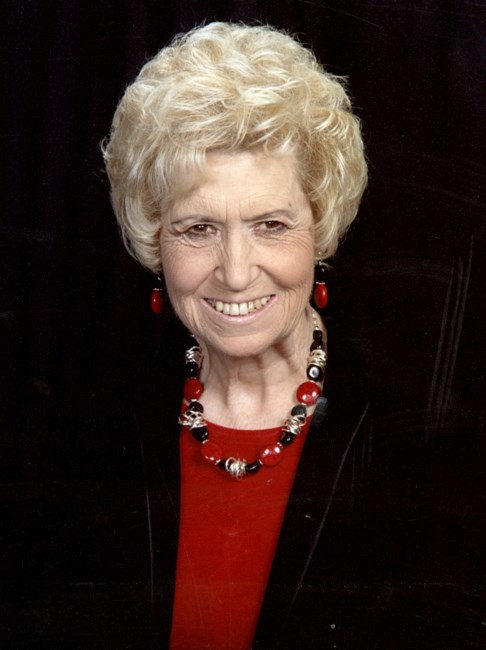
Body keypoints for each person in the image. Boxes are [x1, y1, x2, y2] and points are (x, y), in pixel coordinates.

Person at [101, 21, 485, 650]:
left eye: (271, 226)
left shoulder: (421, 442)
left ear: (320, 226)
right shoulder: (94, 424)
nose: (235, 272)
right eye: (198, 229)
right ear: (154, 240)